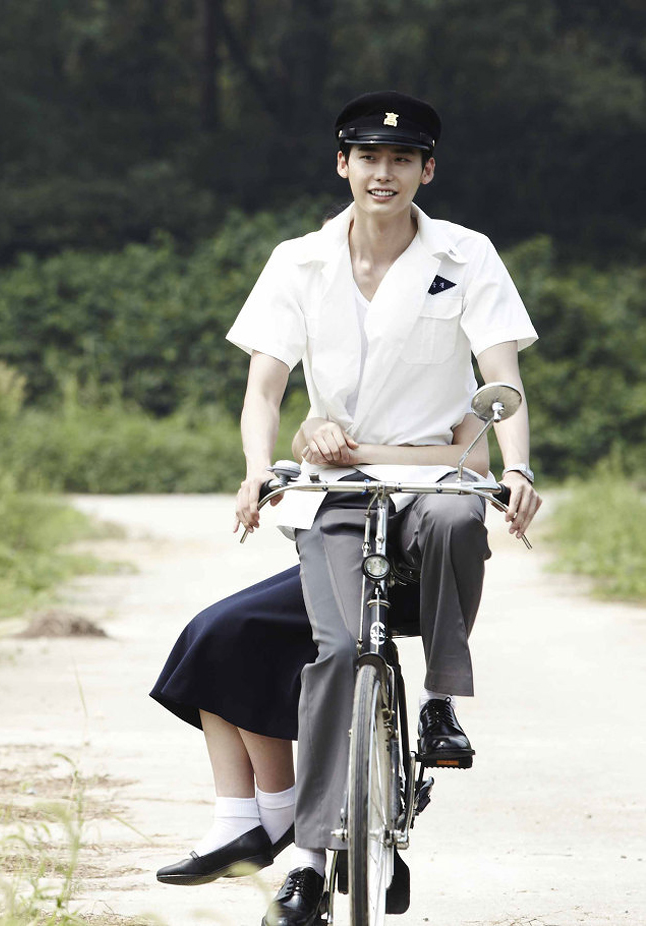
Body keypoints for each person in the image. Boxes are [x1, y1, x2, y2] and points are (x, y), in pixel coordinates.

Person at [226, 90, 542, 926]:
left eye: (403, 159)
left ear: (427, 171)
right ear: (343, 163)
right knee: (335, 654)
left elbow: (502, 380)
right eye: (368, 156)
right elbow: (265, 389)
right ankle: (309, 860)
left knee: (455, 520)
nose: (384, 172)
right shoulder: (298, 261)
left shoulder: (467, 255)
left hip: (435, 478)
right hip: (335, 486)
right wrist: (257, 470)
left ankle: (438, 701)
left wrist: (517, 469)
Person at [152, 408, 490, 887]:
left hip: (414, 560)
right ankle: (245, 815)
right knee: (218, 632)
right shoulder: (343, 376)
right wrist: (299, 447)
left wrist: (363, 455)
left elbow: (476, 457)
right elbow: (301, 435)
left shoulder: (449, 385)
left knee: (298, 641)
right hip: (344, 543)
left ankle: (288, 820)